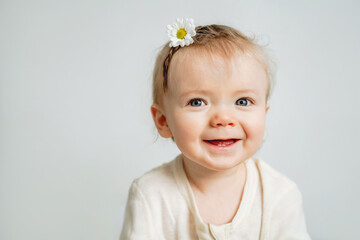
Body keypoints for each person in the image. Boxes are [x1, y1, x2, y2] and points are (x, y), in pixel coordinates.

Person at [120, 18, 311, 240]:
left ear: (264, 114)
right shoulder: (151, 195)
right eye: (197, 102)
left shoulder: (279, 195)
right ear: (163, 121)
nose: (223, 119)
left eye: (242, 101)